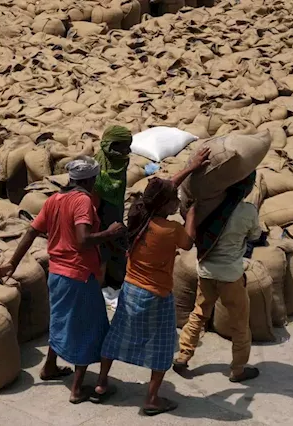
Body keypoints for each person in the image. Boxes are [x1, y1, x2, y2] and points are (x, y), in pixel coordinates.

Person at [0, 156, 126, 404]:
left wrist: (12, 262)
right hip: (78, 275)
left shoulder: (54, 200)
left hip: (57, 274)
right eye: (94, 179)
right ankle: (77, 389)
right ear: (88, 180)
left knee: (61, 320)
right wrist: (110, 233)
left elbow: (32, 230)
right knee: (89, 327)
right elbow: (83, 239)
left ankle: (50, 366)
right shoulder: (82, 201)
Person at [93, 148, 211, 416]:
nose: (177, 201)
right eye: (174, 201)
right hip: (156, 294)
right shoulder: (170, 230)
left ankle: (101, 383)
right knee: (162, 345)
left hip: (131, 288)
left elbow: (161, 192)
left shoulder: (138, 213)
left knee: (117, 335)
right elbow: (189, 241)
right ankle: (152, 398)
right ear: (167, 206)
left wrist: (190, 168)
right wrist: (190, 214)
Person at [174, 171, 262, 383]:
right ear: (247, 189)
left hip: (206, 270)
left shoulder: (209, 206)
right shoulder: (247, 211)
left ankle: (183, 356)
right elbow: (255, 235)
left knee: (198, 314)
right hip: (231, 275)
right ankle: (238, 368)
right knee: (240, 323)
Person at [94, 125, 133, 289]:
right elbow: (94, 198)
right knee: (101, 255)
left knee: (118, 250)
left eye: (128, 145)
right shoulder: (98, 168)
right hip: (100, 217)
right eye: (123, 146)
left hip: (116, 213)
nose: (127, 150)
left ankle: (115, 281)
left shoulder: (121, 162)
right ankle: (98, 290)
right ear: (111, 145)